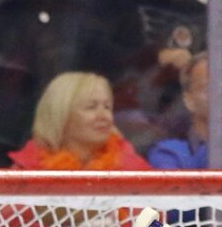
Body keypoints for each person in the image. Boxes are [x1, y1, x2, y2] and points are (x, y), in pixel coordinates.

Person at [72, 0, 207, 154]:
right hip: (122, 112)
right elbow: (91, 52)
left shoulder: (201, 12)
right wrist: (155, 58)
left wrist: (194, 67)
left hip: (184, 116)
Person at [9, 72, 151, 171]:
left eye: (107, 107)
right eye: (91, 107)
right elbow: (10, 214)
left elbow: (154, 213)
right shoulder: (28, 167)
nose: (104, 116)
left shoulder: (130, 164)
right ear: (61, 114)